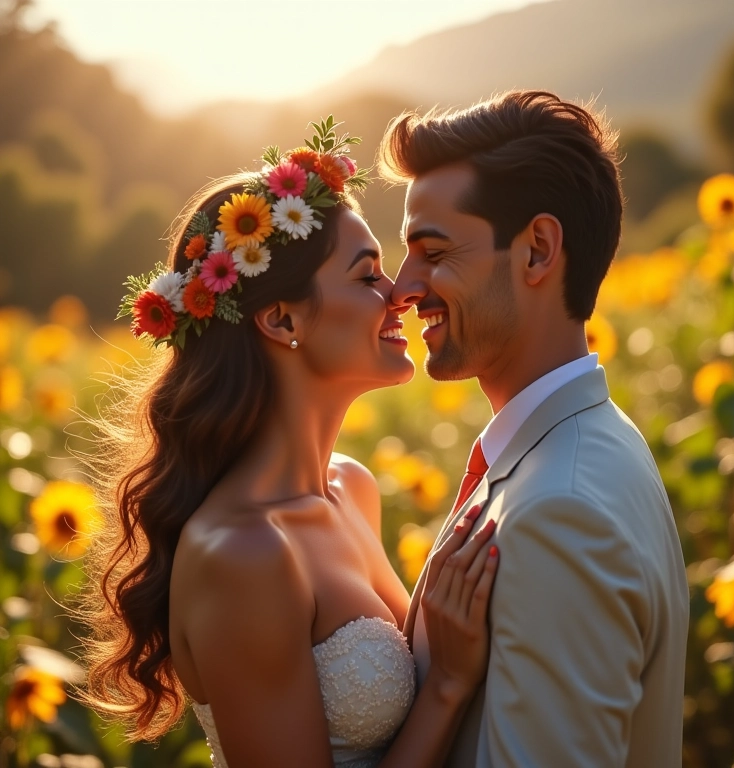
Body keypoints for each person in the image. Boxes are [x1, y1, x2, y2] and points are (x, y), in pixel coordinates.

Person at [79, 119, 499, 768]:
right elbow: (437, 682)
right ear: (281, 318)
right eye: (367, 277)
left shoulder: (353, 489)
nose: (401, 296)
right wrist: (446, 686)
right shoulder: (242, 554)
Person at [378, 90, 690, 767]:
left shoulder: (562, 511)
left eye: (432, 251)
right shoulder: (594, 443)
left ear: (537, 251)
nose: (402, 286)